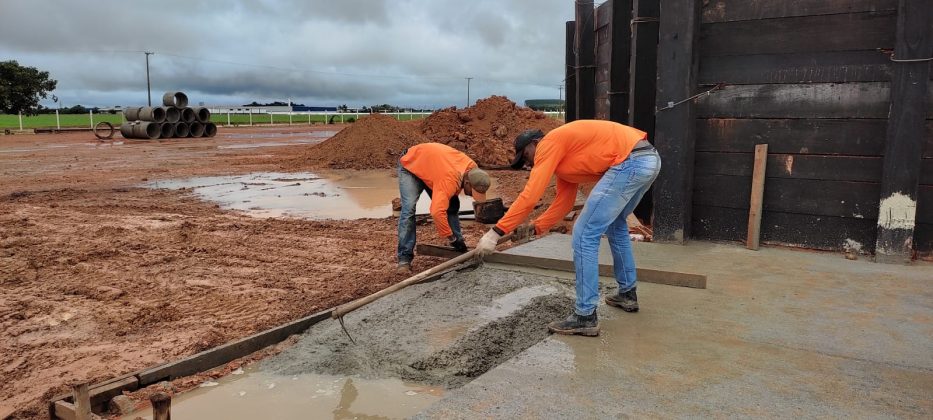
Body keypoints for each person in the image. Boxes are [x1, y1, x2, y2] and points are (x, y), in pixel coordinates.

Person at [475, 120, 661, 336]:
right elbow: (564, 203)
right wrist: (536, 227)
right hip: (648, 159)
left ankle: (585, 316)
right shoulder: (566, 160)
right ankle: (627, 294)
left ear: (535, 143)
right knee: (616, 224)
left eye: (526, 155)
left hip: (630, 162)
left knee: (584, 235)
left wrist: (495, 232)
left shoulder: (548, 143)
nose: (529, 162)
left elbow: (530, 196)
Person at [397, 142, 491, 274]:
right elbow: (437, 212)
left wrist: (458, 241)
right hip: (411, 163)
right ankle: (404, 259)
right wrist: (451, 237)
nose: (471, 195)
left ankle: (459, 245)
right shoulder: (450, 179)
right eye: (472, 192)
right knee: (409, 209)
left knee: (452, 204)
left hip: (433, 167)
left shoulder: (472, 169)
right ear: (467, 182)